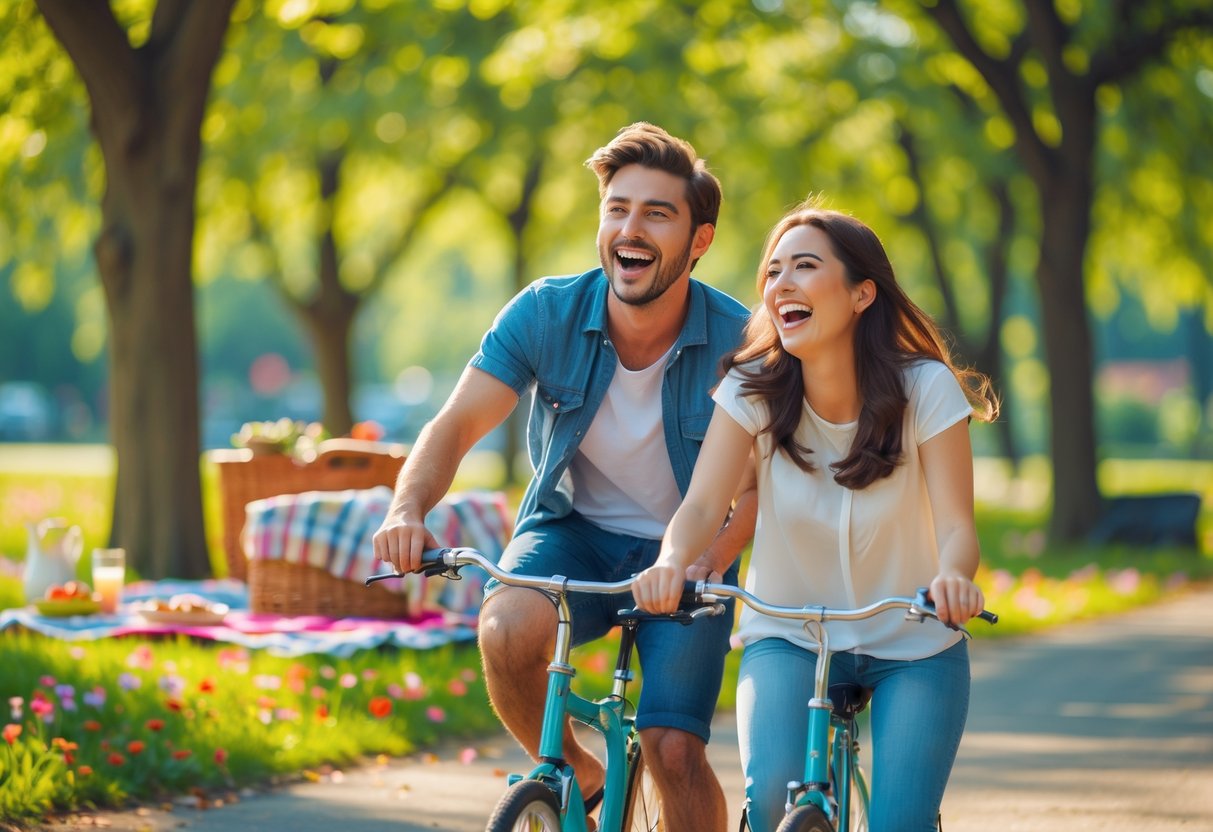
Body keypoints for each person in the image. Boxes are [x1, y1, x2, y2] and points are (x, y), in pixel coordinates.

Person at [373, 122, 755, 831]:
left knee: (673, 750)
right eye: (617, 208)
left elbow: (758, 490)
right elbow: (454, 424)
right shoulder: (546, 313)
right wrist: (407, 509)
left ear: (698, 240)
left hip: (693, 554)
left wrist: (706, 561)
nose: (629, 228)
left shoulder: (742, 341)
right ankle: (581, 773)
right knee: (505, 626)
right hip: (571, 532)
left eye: (656, 213)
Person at [632, 202, 999, 831]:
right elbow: (700, 505)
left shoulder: (926, 388)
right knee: (773, 796)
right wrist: (672, 561)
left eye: (805, 265)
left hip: (914, 641)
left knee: (899, 824)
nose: (782, 285)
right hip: (788, 635)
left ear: (861, 293)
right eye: (772, 272)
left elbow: (958, 527)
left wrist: (953, 577)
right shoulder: (752, 386)